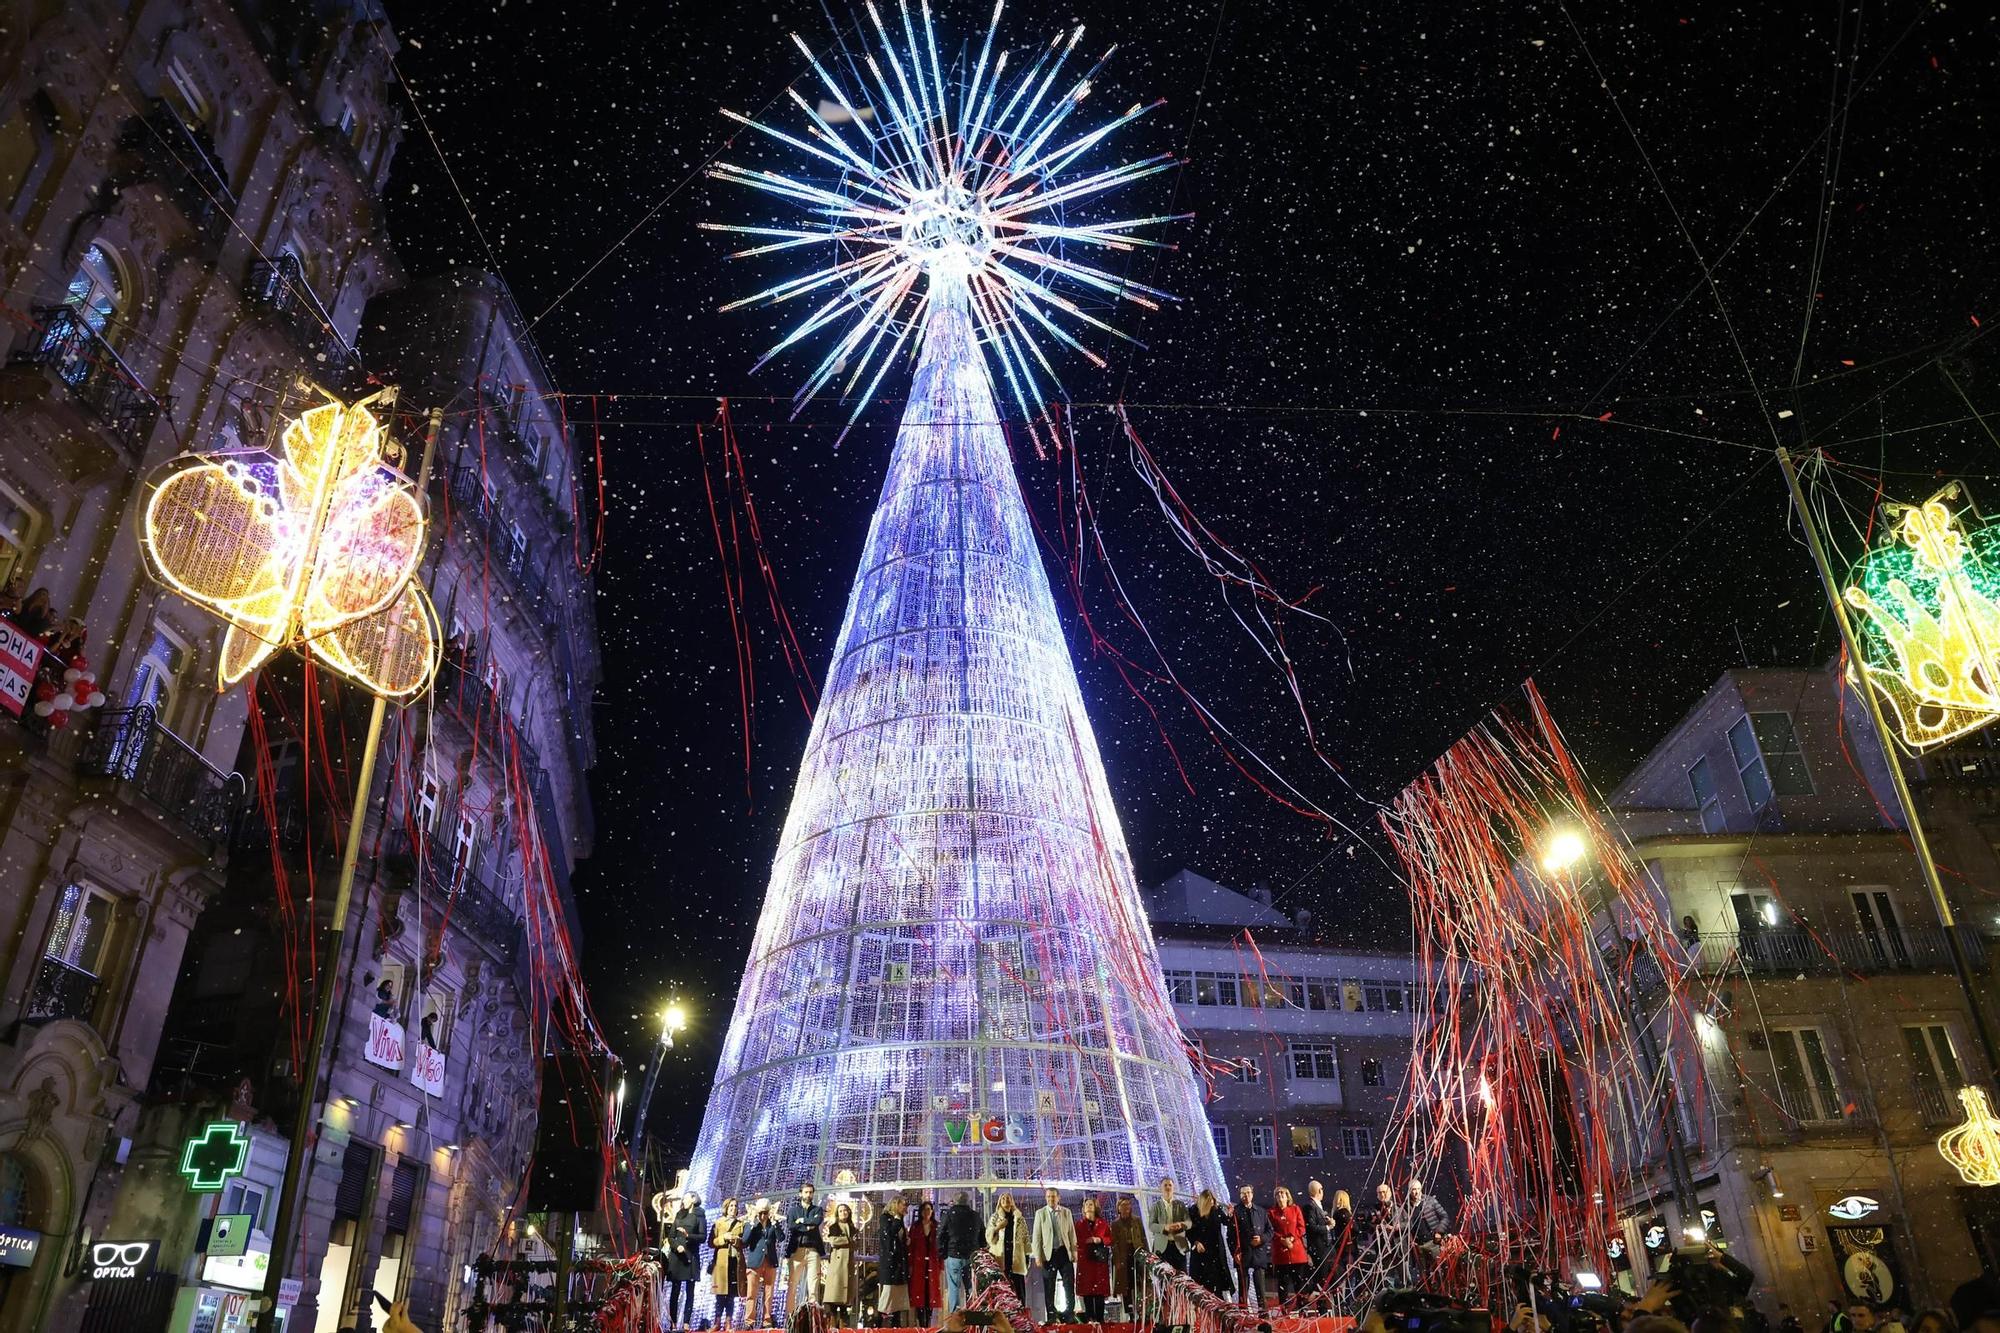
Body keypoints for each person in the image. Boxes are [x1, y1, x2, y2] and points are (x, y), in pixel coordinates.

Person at [1032, 1185, 1078, 1322]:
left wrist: (1074, 1252)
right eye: (1048, 1196)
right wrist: (1038, 1256)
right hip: (1048, 1255)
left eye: (1053, 1196)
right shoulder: (1040, 1213)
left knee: (1069, 1284)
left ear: (1058, 1198)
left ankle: (1069, 1315)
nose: (1051, 1199)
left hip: (1064, 1252)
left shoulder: (1066, 1212)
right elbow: (1037, 1237)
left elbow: (1071, 1233)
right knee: (1049, 1286)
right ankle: (1051, 1316)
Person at [664, 1191, 707, 1330]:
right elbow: (671, 1237)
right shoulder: (679, 1214)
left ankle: (687, 1323)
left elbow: (702, 1237)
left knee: (690, 1291)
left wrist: (688, 1236)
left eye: (686, 1198)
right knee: (675, 1292)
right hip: (677, 1256)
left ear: (693, 1199)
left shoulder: (699, 1215)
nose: (683, 1201)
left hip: (691, 1256)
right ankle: (673, 1323)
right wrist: (677, 1246)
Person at [1227, 1183, 1270, 1309]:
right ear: (1240, 1195)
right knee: (1243, 1290)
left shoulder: (1261, 1211)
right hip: (1243, 1254)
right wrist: (1235, 1253)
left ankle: (1263, 1317)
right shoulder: (1235, 1212)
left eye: (1248, 1193)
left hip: (1258, 1254)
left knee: (1261, 1290)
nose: (1246, 1196)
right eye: (1243, 1193)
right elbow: (1230, 1236)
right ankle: (1243, 1317)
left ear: (1252, 1194)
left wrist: (1261, 1239)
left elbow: (1270, 1230)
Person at [786, 1182, 826, 1314]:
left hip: (813, 1250)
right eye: (806, 1192)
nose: (809, 1195)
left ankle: (812, 1317)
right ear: (800, 1194)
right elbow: (791, 1226)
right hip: (797, 1249)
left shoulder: (817, 1210)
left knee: (813, 1285)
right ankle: (790, 1316)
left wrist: (801, 1221)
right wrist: (807, 1226)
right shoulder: (793, 1210)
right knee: (792, 1284)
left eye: (810, 1192)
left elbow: (816, 1222)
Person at [943, 1190, 984, 1314]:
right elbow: (982, 1235)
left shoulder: (949, 1215)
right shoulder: (975, 1216)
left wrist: (943, 1253)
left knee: (954, 1287)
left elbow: (941, 1235)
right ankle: (972, 1314)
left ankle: (955, 1316)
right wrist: (979, 1249)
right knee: (971, 1286)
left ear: (954, 1201)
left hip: (953, 1255)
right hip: (971, 1256)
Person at [744, 1199, 784, 1329]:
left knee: (769, 1292)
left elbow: (781, 1237)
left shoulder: (773, 1224)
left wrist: (775, 1223)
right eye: (760, 1213)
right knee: (752, 1292)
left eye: (765, 1213)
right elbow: (745, 1240)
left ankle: (767, 1320)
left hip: (770, 1260)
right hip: (755, 1262)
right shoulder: (752, 1224)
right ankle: (749, 1321)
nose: (762, 1216)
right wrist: (751, 1223)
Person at [1269, 1184, 1309, 1306]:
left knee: (1299, 1284)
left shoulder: (1296, 1209)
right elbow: (1270, 1230)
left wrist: (1292, 1238)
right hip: (1281, 1255)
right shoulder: (1271, 1213)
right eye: (1278, 1194)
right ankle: (1284, 1310)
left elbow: (1302, 1228)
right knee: (1283, 1285)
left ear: (1287, 1197)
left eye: (1282, 1194)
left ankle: (1302, 1308)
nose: (1280, 1196)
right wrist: (1282, 1240)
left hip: (1297, 1253)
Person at [1075, 1195, 1113, 1324]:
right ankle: (1090, 1317)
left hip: (1099, 1261)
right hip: (1085, 1260)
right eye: (1086, 1205)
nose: (1088, 1207)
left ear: (1095, 1207)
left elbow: (1109, 1239)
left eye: (1091, 1204)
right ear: (1083, 1209)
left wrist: (1099, 1239)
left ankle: (1100, 1318)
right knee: (1087, 1290)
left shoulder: (1103, 1223)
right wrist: (1085, 1242)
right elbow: (1076, 1240)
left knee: (1099, 1291)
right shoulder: (1079, 1224)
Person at [1188, 1188, 1233, 1296]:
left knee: (1217, 1282)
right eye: (1209, 1201)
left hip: (1216, 1251)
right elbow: (1189, 1230)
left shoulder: (1216, 1210)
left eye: (1213, 1200)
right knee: (1202, 1283)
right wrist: (1196, 1242)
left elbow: (1226, 1222)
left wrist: (1230, 1215)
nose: (1212, 1203)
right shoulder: (1193, 1211)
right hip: (1201, 1252)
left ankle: (1218, 1306)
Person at [988, 1190, 1030, 1301]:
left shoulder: (1019, 1218)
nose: (1006, 1200)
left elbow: (1025, 1238)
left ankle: (1020, 1313)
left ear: (1012, 1201)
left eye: (1008, 1198)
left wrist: (1026, 1256)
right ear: (999, 1202)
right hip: (1001, 1256)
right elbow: (989, 1238)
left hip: (1016, 1257)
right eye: (1003, 1198)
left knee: (1018, 1288)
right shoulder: (995, 1218)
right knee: (1001, 1288)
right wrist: (998, 1228)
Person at [712, 1197, 747, 1329]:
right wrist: (723, 1238)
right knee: (720, 1293)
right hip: (721, 1263)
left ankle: (728, 1322)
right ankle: (716, 1321)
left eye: (735, 1206)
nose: (733, 1208)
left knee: (731, 1293)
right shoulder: (718, 1223)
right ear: (726, 1208)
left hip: (734, 1261)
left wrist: (736, 1240)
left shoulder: (740, 1224)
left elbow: (744, 1242)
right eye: (731, 1206)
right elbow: (712, 1242)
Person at [878, 1195, 913, 1327]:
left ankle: (896, 1324)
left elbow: (898, 1240)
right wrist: (898, 1220)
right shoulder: (886, 1218)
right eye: (903, 1204)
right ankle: (883, 1323)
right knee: (888, 1294)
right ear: (895, 1204)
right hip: (890, 1263)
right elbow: (889, 1235)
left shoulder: (900, 1220)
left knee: (898, 1296)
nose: (905, 1207)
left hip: (899, 1263)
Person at [1110, 1195, 1146, 1319]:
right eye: (1123, 1205)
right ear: (1118, 1208)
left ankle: (1142, 1313)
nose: (1126, 1208)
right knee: (1126, 1286)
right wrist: (1117, 1260)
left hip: (1137, 1253)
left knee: (1140, 1284)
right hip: (1124, 1257)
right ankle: (1130, 1313)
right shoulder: (1115, 1224)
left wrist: (1146, 1255)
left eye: (1128, 1205)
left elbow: (1143, 1237)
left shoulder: (1137, 1220)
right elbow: (1113, 1244)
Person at [822, 1202, 859, 1323]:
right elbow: (833, 1241)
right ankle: (832, 1322)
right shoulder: (834, 1227)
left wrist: (850, 1242)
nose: (844, 1213)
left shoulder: (853, 1228)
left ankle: (843, 1323)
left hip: (848, 1263)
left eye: (846, 1210)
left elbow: (856, 1244)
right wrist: (847, 1240)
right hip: (837, 1264)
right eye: (841, 1211)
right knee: (834, 1292)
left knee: (845, 1295)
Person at [908, 1200, 941, 1326]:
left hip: (932, 1264)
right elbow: (911, 1247)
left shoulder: (936, 1226)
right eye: (924, 1210)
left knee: (931, 1293)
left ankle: (928, 1322)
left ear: (932, 1211)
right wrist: (911, 1264)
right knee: (919, 1293)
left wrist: (940, 1265)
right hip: (919, 1264)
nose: (927, 1212)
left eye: (929, 1209)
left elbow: (940, 1247)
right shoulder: (916, 1227)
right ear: (921, 1212)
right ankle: (922, 1323)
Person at [1147, 1176, 1192, 1271]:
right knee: (1164, 1278)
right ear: (1160, 1188)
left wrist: (1181, 1225)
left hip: (1179, 1246)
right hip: (1163, 1248)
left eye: (1170, 1185)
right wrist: (1164, 1227)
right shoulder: (1156, 1206)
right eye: (1165, 1185)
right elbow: (1151, 1225)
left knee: (1181, 1277)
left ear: (1173, 1188)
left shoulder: (1181, 1205)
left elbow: (1189, 1223)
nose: (1168, 1187)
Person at [1406, 1180, 1449, 1276]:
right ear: (1409, 1191)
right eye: (1413, 1189)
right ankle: (1429, 1289)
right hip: (1418, 1245)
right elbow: (1406, 1225)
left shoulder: (1430, 1201)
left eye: (1418, 1189)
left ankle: (1442, 1288)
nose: (1416, 1192)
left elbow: (1445, 1216)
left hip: (1432, 1242)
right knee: (1424, 1273)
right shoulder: (1406, 1206)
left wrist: (1439, 1231)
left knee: (1439, 1268)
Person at [1301, 1181, 1332, 1291]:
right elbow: (1311, 1227)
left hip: (1325, 1249)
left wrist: (1328, 1222)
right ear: (1319, 1191)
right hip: (1318, 1249)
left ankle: (1323, 1303)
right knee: (1320, 1279)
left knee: (1326, 1279)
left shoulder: (1317, 1206)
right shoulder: (1310, 1207)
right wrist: (1328, 1227)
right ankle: (1321, 1306)